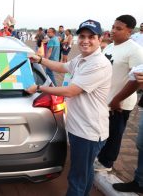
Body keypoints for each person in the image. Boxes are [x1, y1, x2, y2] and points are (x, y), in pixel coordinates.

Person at [26, 19, 112, 196]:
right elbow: (63, 67)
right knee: (84, 173)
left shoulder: (98, 63)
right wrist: (40, 59)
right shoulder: (83, 58)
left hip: (89, 131)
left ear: (100, 39)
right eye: (82, 36)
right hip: (80, 127)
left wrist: (40, 88)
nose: (85, 40)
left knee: (77, 178)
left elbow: (71, 91)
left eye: (91, 37)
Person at [94, 15, 143, 172]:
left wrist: (117, 99)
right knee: (103, 131)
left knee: (115, 134)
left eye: (119, 28)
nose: (113, 30)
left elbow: (137, 80)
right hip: (106, 99)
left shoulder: (135, 50)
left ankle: (106, 163)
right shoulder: (109, 47)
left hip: (120, 102)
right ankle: (101, 156)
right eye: (113, 27)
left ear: (129, 31)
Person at [108, 66, 143, 193]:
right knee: (141, 144)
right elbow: (136, 78)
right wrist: (117, 98)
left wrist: (117, 99)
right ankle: (139, 182)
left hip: (123, 106)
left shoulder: (135, 50)